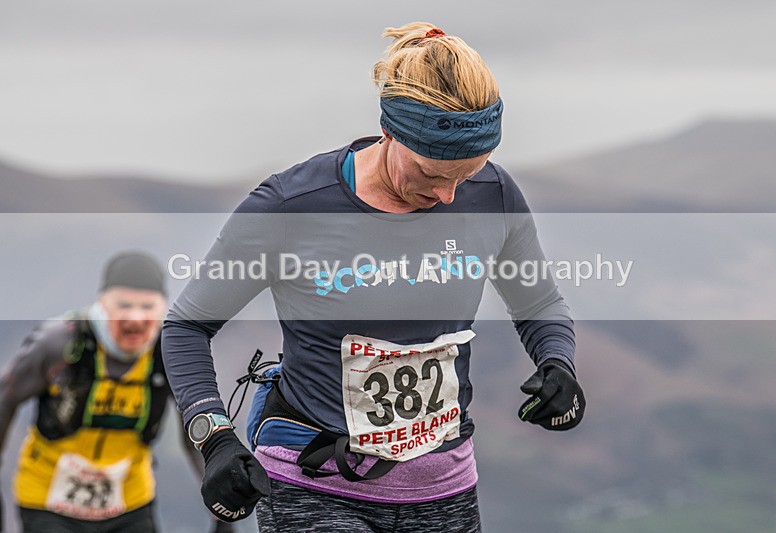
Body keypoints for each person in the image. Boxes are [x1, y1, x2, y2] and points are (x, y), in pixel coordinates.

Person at [162, 22, 586, 532]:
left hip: (444, 488)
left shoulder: (494, 194)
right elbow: (187, 326)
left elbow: (538, 302)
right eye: (431, 174)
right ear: (390, 132)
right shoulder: (291, 206)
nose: (448, 195)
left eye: (467, 174)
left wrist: (558, 363)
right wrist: (214, 437)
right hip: (314, 484)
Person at [0, 251, 232, 533]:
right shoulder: (59, 343)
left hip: (129, 503)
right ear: (102, 304)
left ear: (163, 308)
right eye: (124, 306)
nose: (135, 318)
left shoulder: (168, 354)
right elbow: (6, 397)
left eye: (147, 307)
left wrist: (220, 503)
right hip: (47, 501)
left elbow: (195, 429)